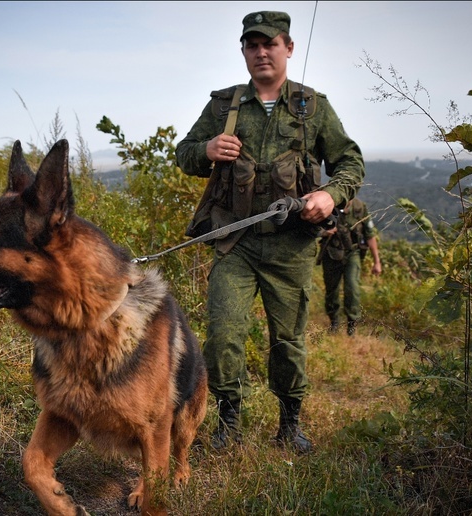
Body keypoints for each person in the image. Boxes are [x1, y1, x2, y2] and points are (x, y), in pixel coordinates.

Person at [176, 11, 365, 454]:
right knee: (223, 334)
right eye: (252, 45)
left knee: (288, 341)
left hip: (291, 245)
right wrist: (205, 150)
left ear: (288, 48)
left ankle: (290, 423)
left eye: (270, 44)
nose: (261, 52)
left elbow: (350, 162)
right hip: (234, 242)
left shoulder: (312, 107)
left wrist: (330, 196)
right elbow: (184, 155)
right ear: (243, 51)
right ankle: (228, 423)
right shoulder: (224, 106)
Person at [318, 198, 382, 337]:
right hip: (331, 252)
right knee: (331, 289)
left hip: (352, 252)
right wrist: (325, 231)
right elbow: (313, 227)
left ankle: (351, 324)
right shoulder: (328, 203)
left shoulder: (359, 208)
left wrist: (377, 262)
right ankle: (334, 321)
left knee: (352, 288)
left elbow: (370, 234)